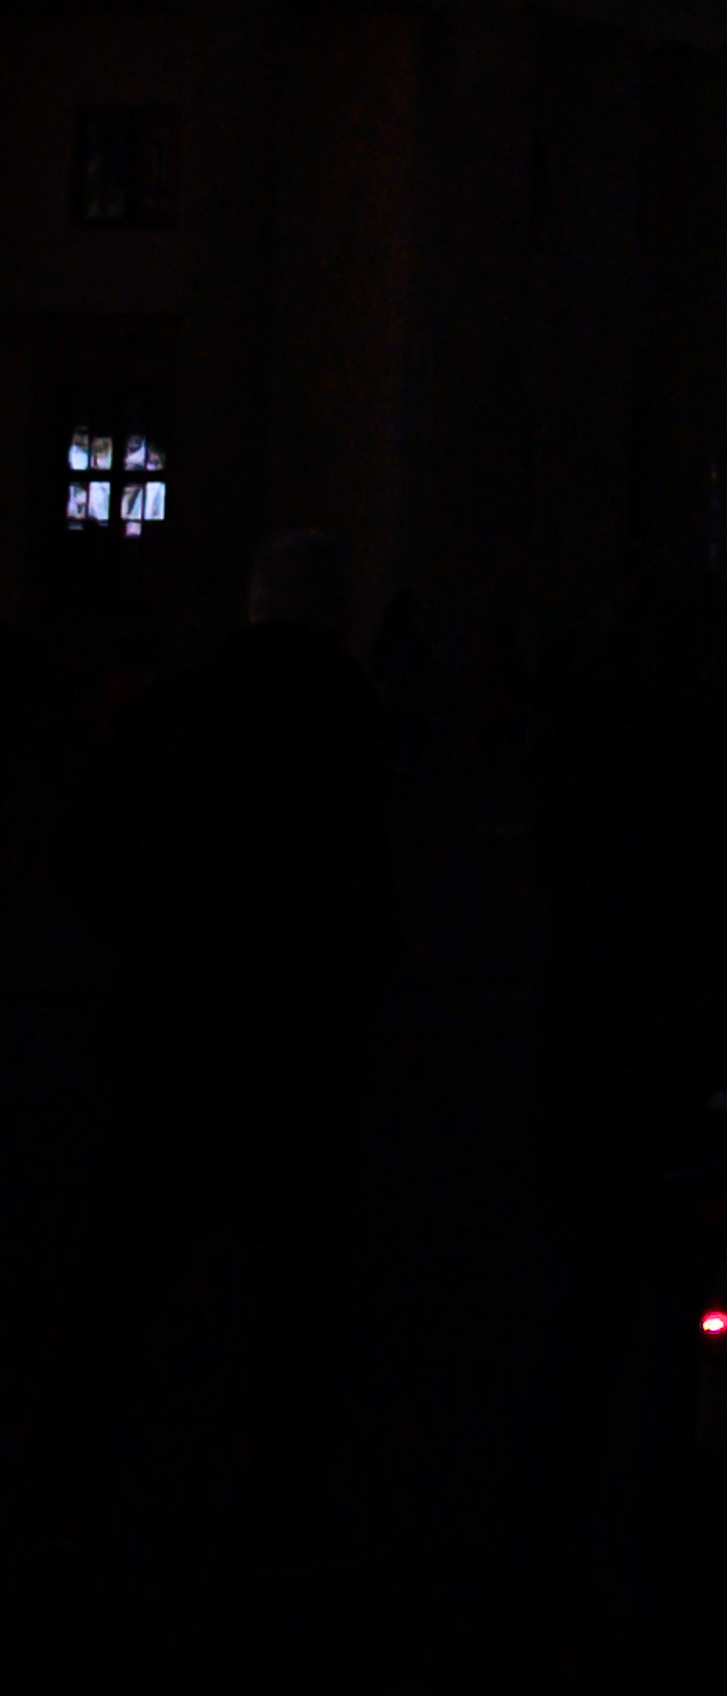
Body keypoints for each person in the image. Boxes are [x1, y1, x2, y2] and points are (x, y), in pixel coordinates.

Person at [31, 527, 397, 1607]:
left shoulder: (176, 709)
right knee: (297, 1298)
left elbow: (87, 860)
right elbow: (369, 898)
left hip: (172, 1034)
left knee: (121, 1279)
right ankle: (279, 1515)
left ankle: (75, 1490)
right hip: (296, 1054)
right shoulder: (357, 723)